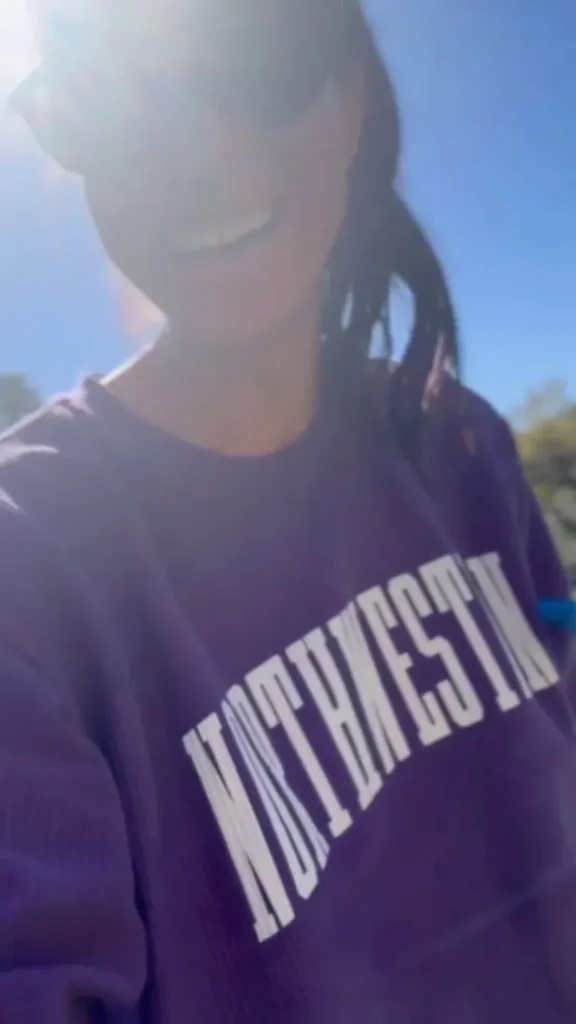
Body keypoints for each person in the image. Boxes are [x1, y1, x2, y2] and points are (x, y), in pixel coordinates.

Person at [3, 0, 576, 1020]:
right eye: (108, 101)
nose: (195, 153)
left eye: (259, 59)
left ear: (354, 94)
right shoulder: (30, 561)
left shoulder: (462, 447)